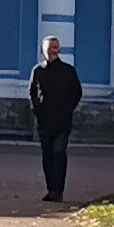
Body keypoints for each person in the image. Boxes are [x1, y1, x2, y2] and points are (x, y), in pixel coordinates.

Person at [27, 34, 83, 202]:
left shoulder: (68, 71)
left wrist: (68, 109)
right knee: (47, 156)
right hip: (44, 121)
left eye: (56, 47)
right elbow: (32, 93)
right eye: (50, 48)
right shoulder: (37, 70)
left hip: (62, 121)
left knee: (59, 153)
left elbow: (77, 93)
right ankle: (51, 189)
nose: (53, 51)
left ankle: (58, 190)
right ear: (43, 50)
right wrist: (37, 110)